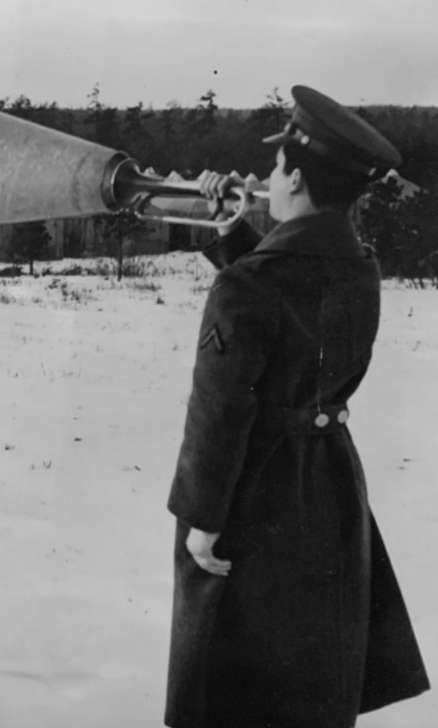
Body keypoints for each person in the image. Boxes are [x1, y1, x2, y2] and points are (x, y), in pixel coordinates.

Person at [165, 85, 430, 728]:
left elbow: (219, 410)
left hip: (253, 496)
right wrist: (235, 237)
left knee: (236, 691)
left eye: (278, 167)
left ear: (297, 176)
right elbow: (294, 306)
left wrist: (202, 520)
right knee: (311, 676)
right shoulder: (361, 266)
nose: (266, 178)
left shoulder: (250, 284)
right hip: (330, 488)